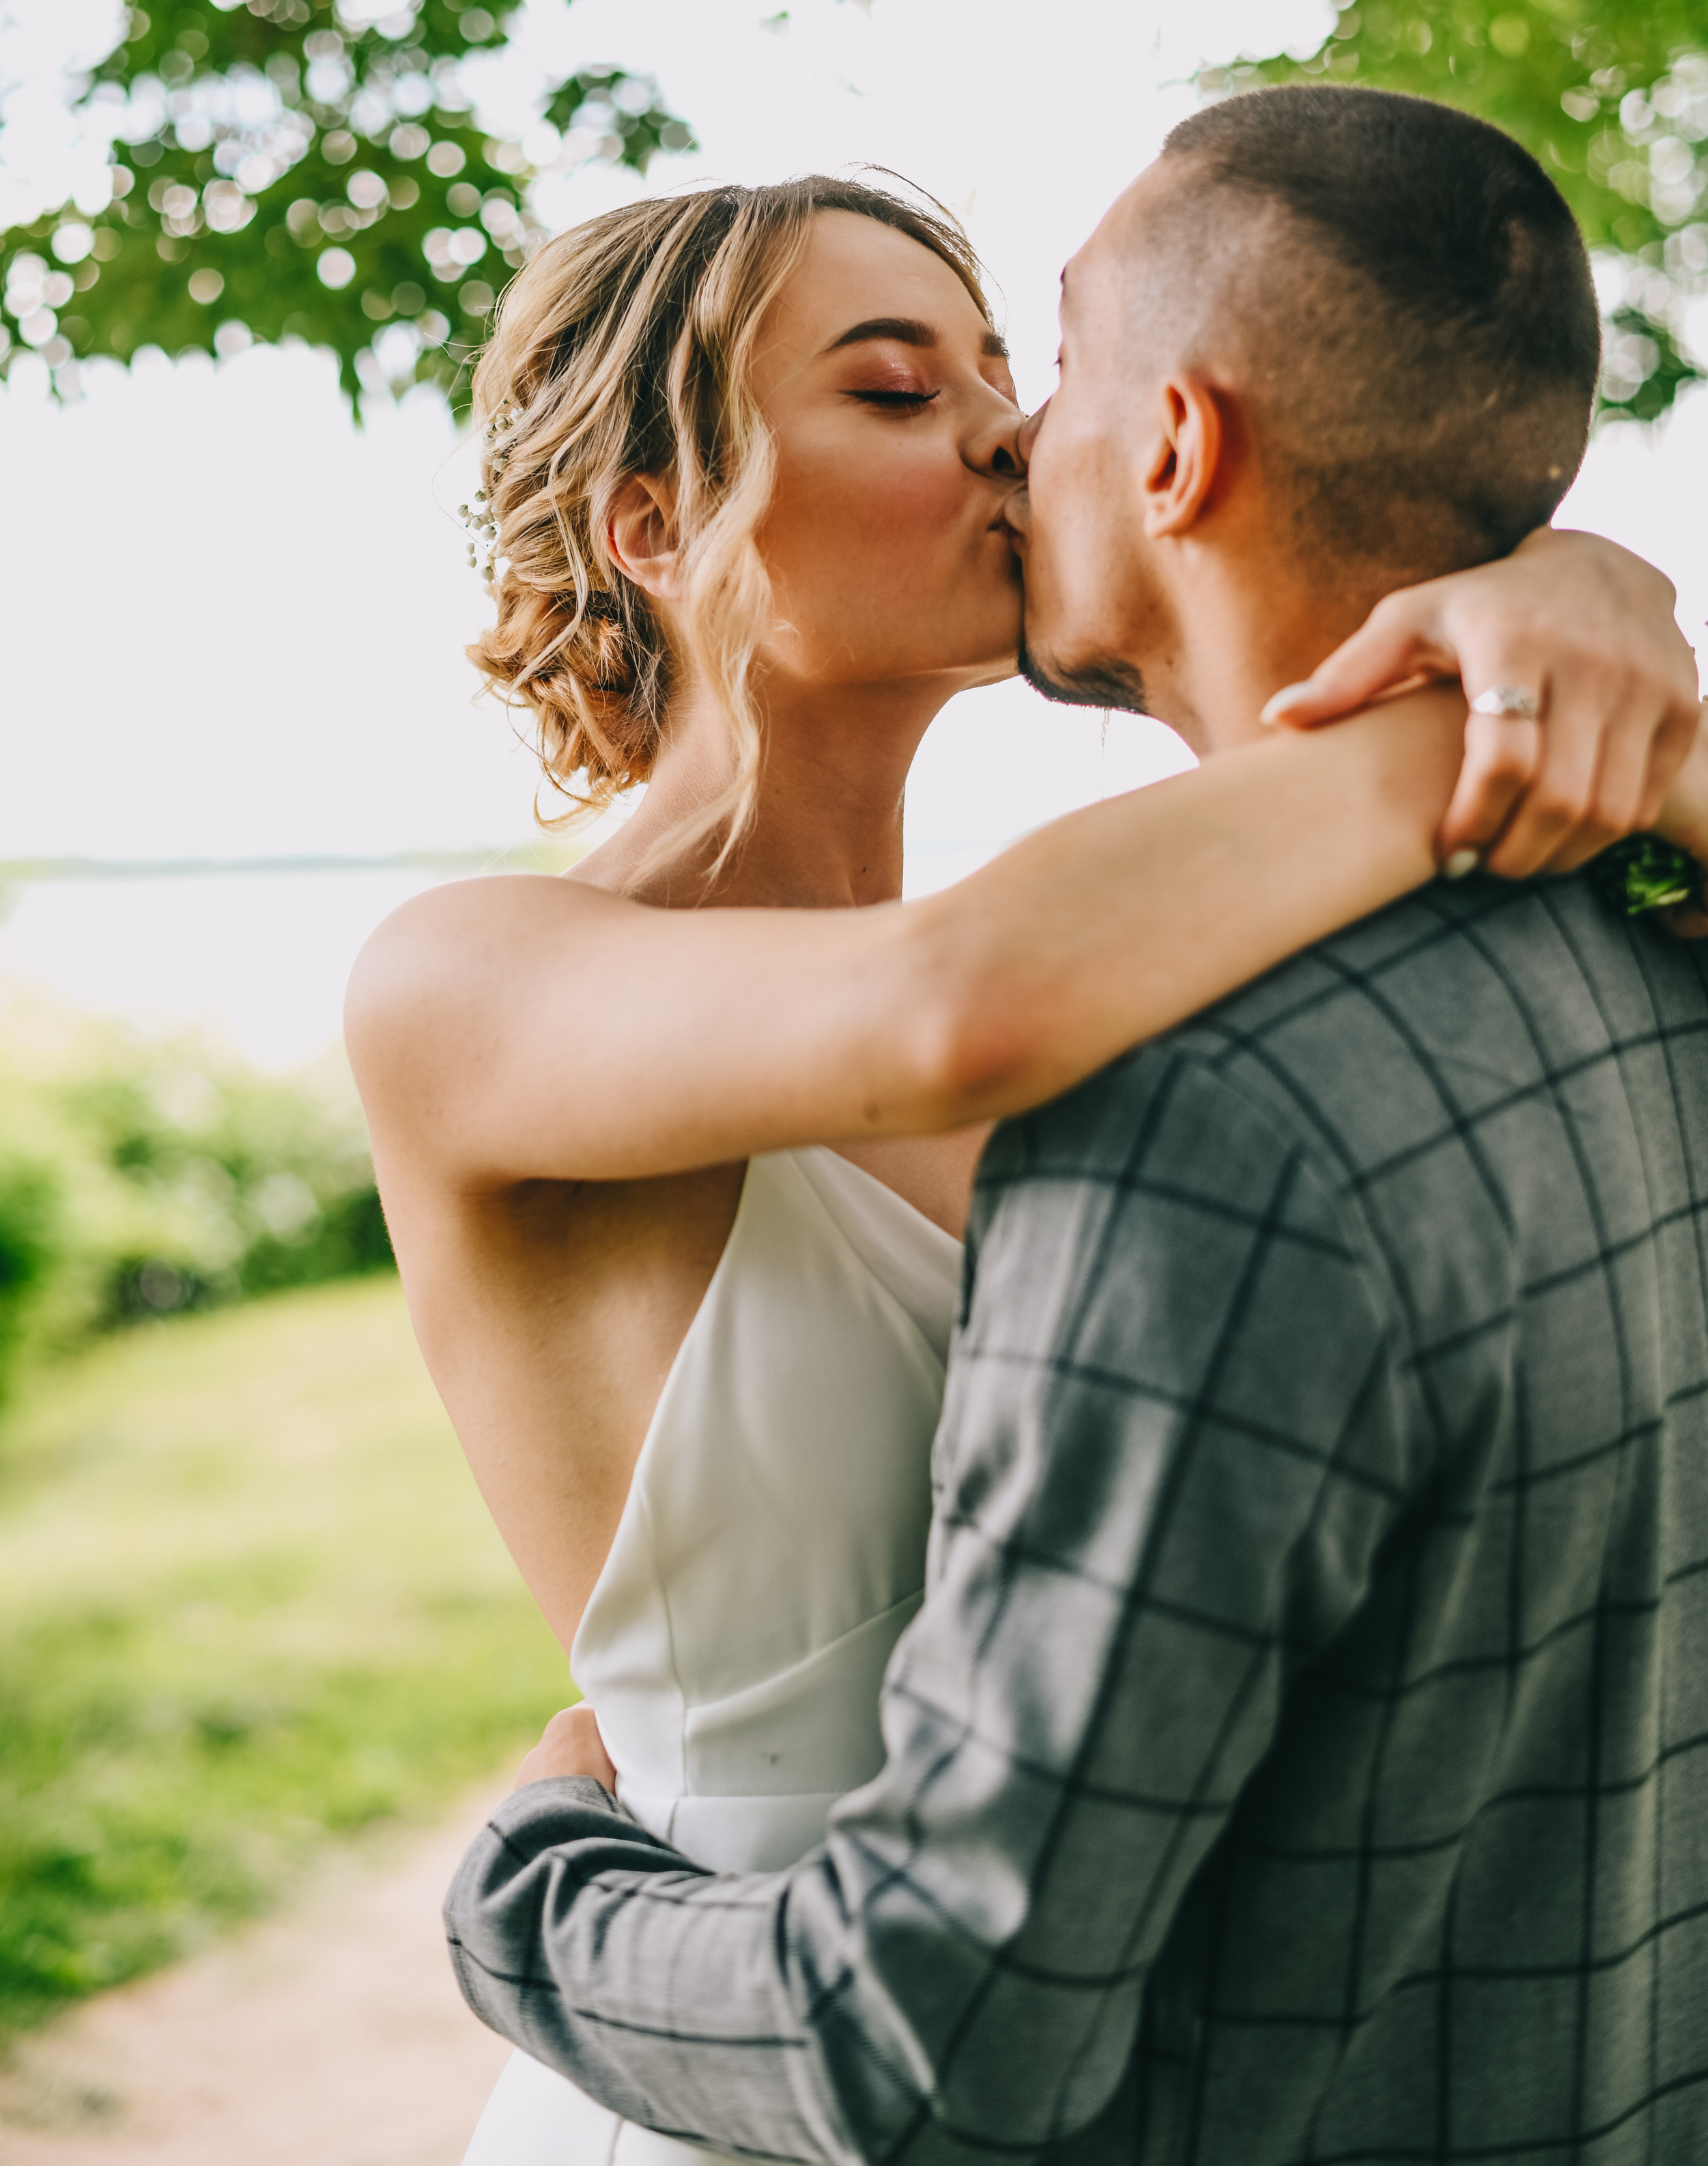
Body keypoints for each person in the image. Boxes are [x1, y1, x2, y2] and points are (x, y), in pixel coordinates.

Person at [344, 122, 1703, 2166]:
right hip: (725, 2066)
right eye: (898, 389)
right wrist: (1484, 691)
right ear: (654, 522)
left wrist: (1570, 593)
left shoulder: (1089, 963)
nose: (1003, 435)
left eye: (1005, 370)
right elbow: (942, 1011)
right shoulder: (474, 980)